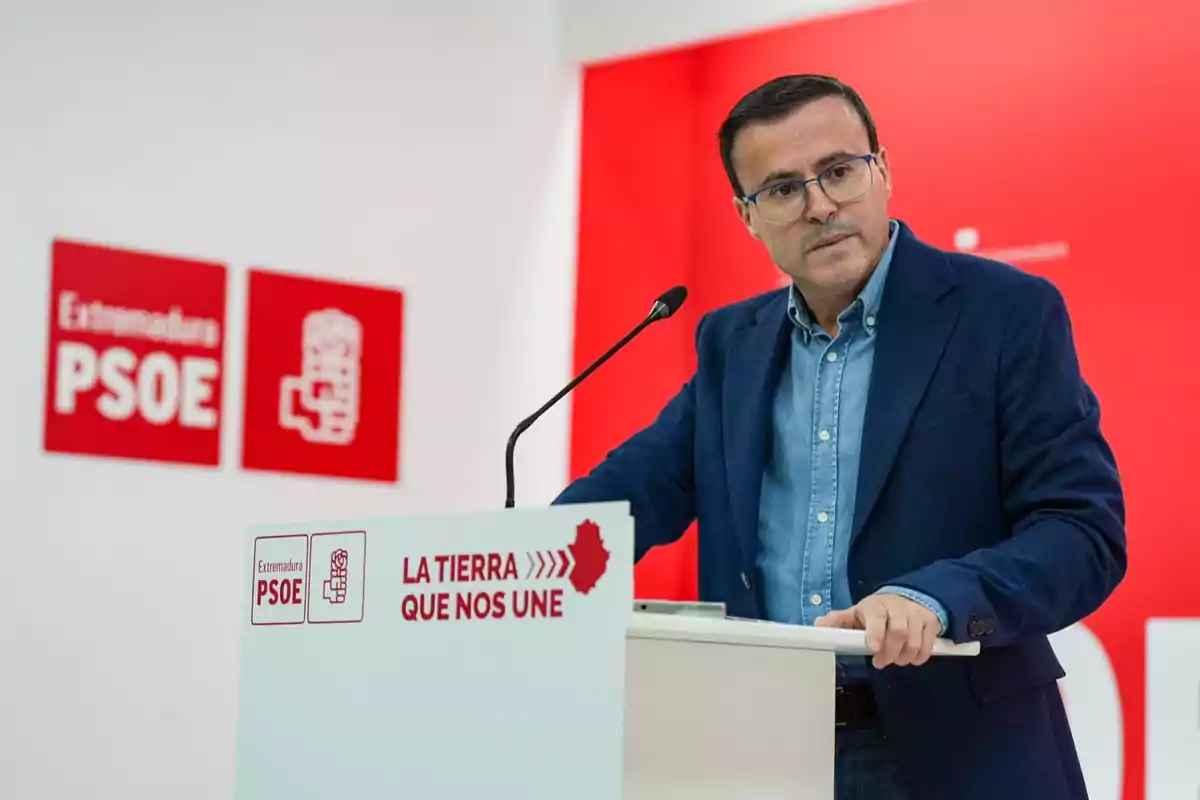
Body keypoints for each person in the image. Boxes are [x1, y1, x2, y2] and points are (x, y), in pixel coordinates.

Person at [553, 74, 1126, 800]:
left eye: (839, 172)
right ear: (748, 217)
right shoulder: (732, 342)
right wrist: (514, 569)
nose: (820, 205)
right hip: (759, 749)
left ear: (881, 170)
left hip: (958, 750)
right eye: (784, 189)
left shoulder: (1004, 312)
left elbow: (1082, 534)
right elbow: (628, 496)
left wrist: (936, 600)